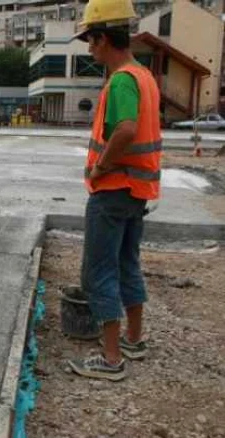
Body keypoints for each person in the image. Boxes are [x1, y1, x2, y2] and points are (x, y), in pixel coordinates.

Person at [68, 0, 162, 381]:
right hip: (136, 189)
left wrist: (100, 165)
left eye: (91, 41)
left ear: (104, 38)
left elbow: (124, 129)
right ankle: (133, 340)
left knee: (97, 273)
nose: (90, 50)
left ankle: (110, 360)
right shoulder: (144, 76)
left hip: (113, 188)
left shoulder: (122, 79)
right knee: (126, 264)